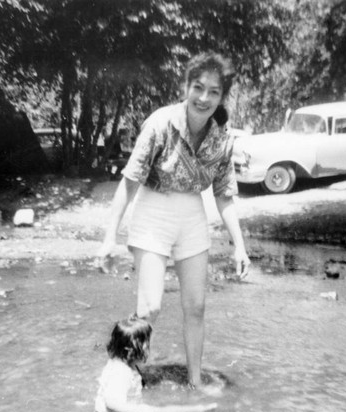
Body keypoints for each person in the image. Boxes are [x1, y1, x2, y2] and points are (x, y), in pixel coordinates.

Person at [97, 51, 250, 388]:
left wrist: (240, 246)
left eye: (214, 91)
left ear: (223, 97)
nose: (204, 97)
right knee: (149, 308)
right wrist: (110, 237)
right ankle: (122, 378)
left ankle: (195, 383)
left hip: (193, 217)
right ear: (186, 86)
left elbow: (224, 195)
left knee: (195, 307)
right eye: (198, 87)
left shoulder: (223, 141)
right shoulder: (160, 123)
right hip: (153, 212)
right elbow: (130, 182)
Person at [91, 316, 218, 412]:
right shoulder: (121, 373)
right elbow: (111, 403)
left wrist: (137, 409)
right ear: (131, 350)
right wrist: (136, 410)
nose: (149, 350)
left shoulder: (122, 362)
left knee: (156, 411)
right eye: (147, 346)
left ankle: (197, 409)